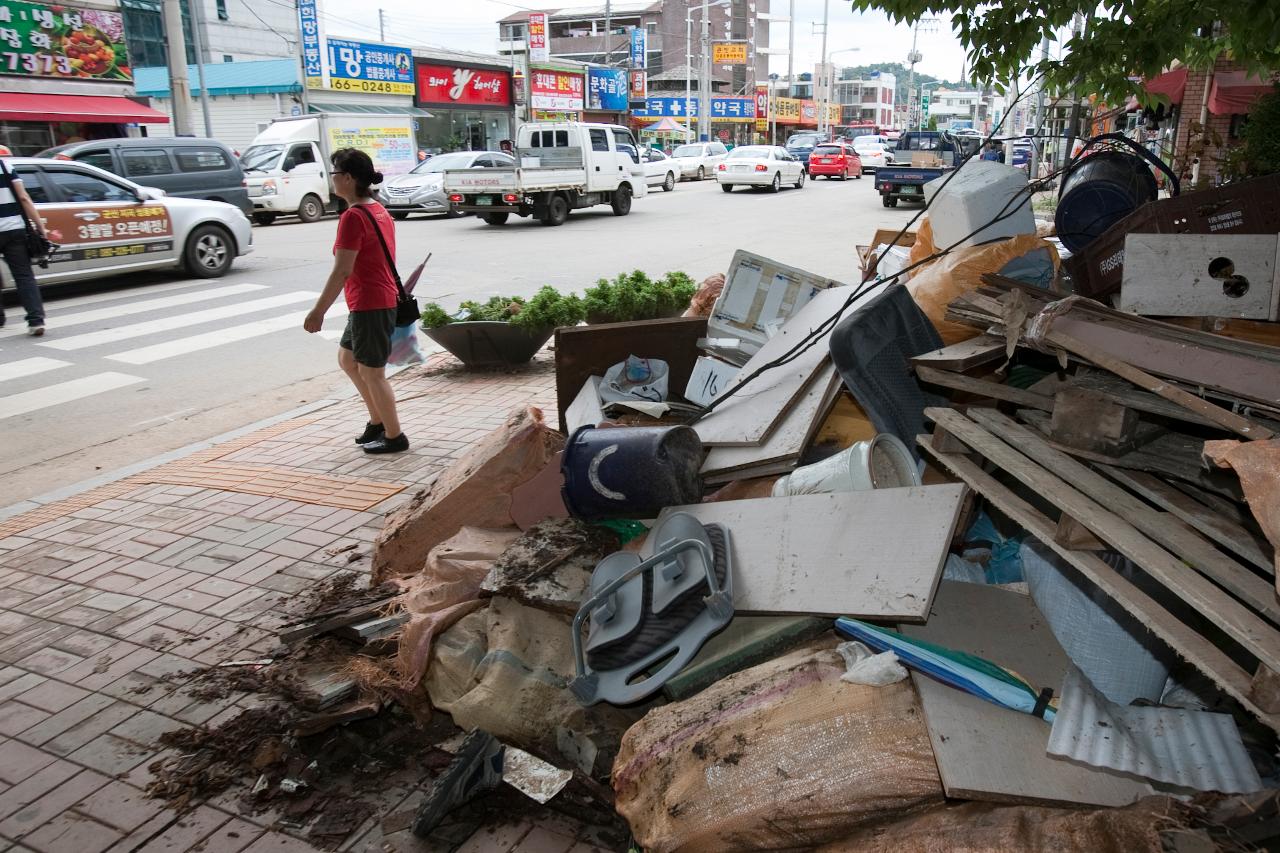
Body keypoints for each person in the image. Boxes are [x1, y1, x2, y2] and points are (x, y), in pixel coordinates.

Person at [303, 148, 408, 454]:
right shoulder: (375, 207)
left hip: (371, 303)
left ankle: (394, 436)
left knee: (373, 372)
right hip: (371, 300)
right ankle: (377, 422)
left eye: (334, 173)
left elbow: (342, 270)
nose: (332, 180)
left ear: (347, 178)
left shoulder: (353, 217)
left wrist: (318, 311)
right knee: (348, 360)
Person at [0, 145, 49, 335]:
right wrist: (40, 226)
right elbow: (24, 197)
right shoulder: (6, 167)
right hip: (14, 230)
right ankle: (36, 321)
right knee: (24, 276)